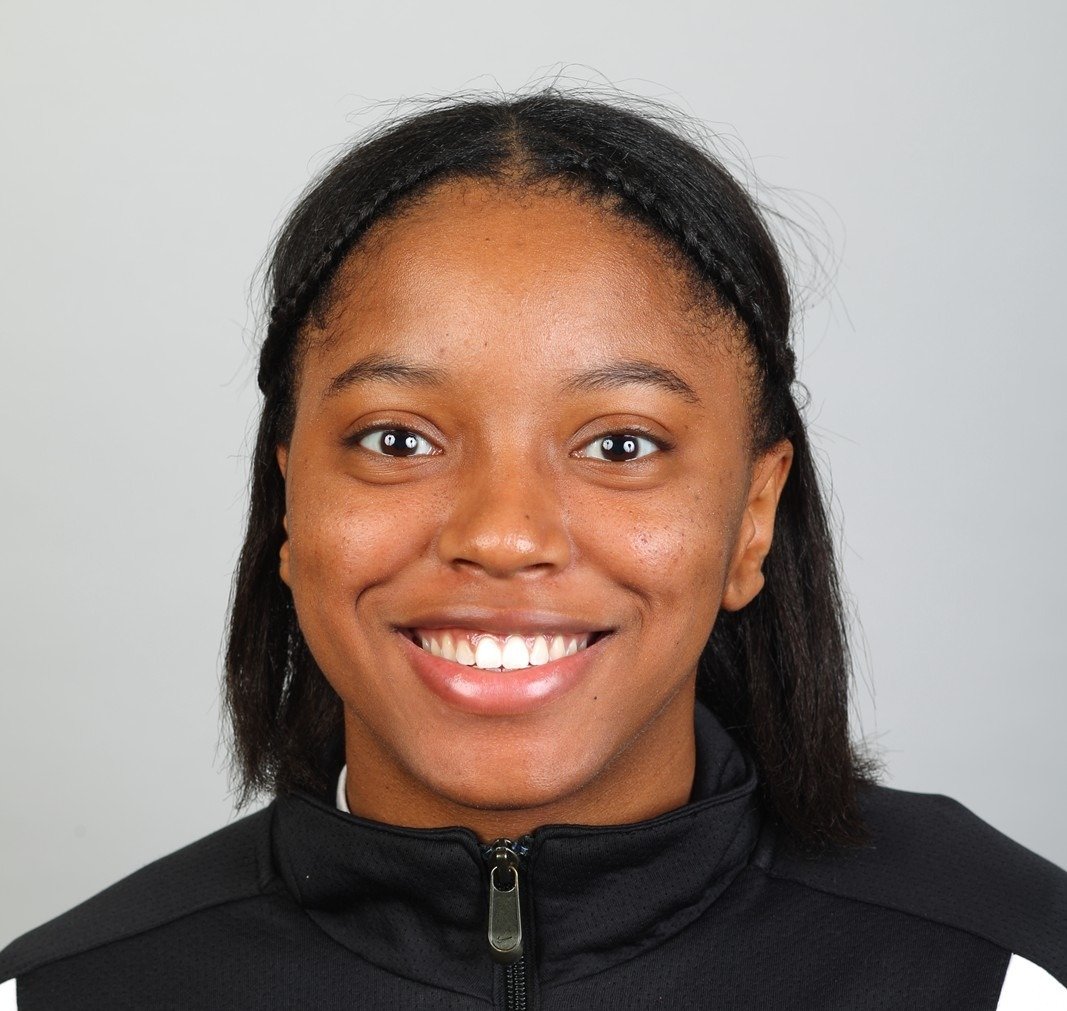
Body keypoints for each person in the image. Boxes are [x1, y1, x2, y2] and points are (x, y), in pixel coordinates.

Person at [1, 88, 1064, 1010]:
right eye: (396, 438)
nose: (502, 536)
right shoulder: (61, 997)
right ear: (289, 501)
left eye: (618, 444)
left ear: (752, 518)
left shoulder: (1009, 974)